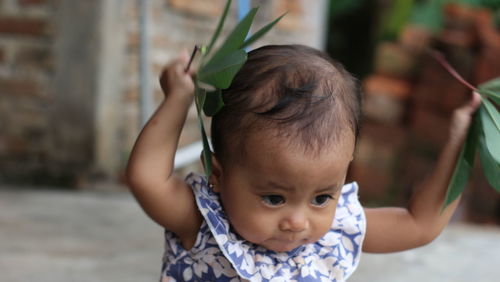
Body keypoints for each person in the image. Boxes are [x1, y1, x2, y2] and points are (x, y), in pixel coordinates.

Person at [126, 45, 481, 281]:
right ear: (218, 174)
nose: (297, 222)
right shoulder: (203, 222)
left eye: (322, 197)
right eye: (274, 198)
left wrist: (459, 145)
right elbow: (147, 179)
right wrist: (178, 99)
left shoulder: (337, 230)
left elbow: (420, 225)